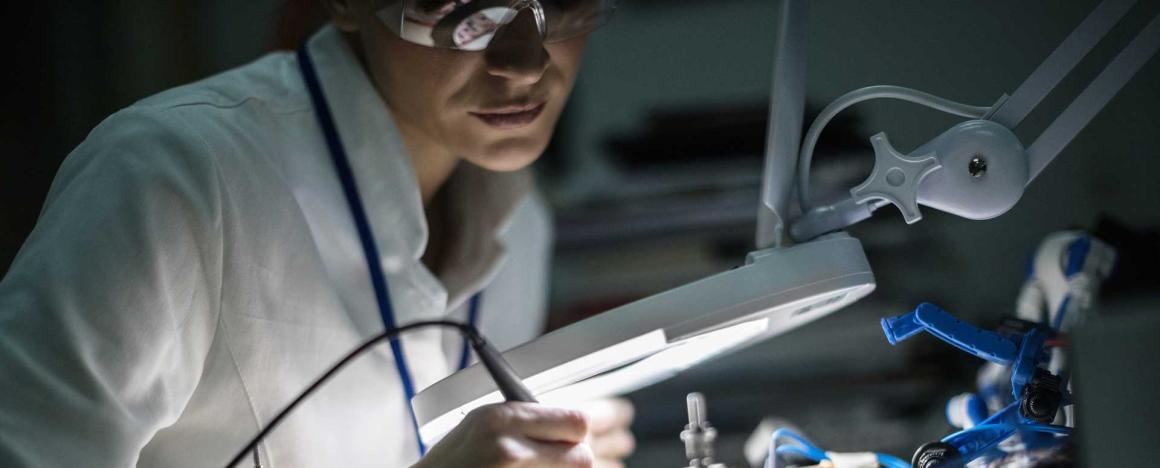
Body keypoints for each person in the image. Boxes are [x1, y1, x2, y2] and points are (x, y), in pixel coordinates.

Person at [0, 0, 634, 466]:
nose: (523, 63)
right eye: (459, 8)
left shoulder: (520, 222)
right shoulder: (171, 176)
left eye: (565, 1)